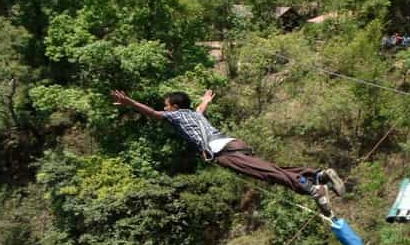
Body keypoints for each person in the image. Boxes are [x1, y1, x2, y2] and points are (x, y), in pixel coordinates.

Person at [109, 89, 345, 216]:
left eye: (167, 104)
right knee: (272, 169)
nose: (164, 107)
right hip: (232, 143)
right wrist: (205, 100)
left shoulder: (175, 115)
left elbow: (152, 113)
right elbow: (200, 109)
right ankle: (320, 175)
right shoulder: (193, 114)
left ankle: (314, 189)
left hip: (223, 152)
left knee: (270, 174)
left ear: (175, 107)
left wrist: (129, 102)